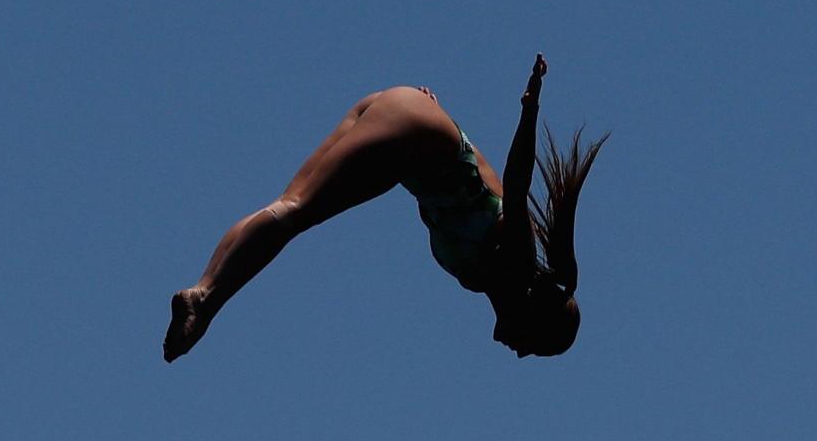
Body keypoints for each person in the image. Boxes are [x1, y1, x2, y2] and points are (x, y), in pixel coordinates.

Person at [165, 57, 600, 362]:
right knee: (296, 212)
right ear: (533, 316)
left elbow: (474, 174)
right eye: (534, 345)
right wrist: (530, 109)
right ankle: (203, 300)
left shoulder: (486, 279)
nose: (521, 353)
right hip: (412, 135)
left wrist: (429, 112)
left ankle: (204, 292)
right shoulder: (518, 263)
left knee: (287, 207)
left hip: (408, 121)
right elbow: (518, 181)